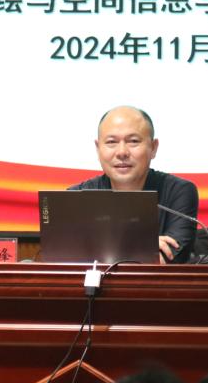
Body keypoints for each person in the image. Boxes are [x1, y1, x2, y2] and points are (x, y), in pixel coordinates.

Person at [69, 106, 199, 264]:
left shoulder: (179, 192)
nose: (122, 152)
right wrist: (143, 247)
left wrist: (100, 250)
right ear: (98, 149)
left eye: (133, 141)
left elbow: (170, 258)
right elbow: (63, 256)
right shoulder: (76, 197)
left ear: (153, 147)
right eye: (111, 142)